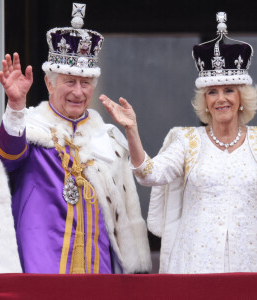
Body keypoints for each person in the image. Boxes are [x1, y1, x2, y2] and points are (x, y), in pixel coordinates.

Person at [0, 3, 151, 274]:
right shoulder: (31, 129)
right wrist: (15, 107)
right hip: (40, 266)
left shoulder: (107, 139)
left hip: (98, 269)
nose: (78, 92)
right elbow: (8, 156)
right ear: (49, 84)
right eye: (69, 82)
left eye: (85, 83)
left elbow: (125, 216)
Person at [100, 12, 257, 274]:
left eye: (229, 90)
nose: (221, 99)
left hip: (249, 260)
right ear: (205, 100)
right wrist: (132, 130)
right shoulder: (188, 141)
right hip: (195, 262)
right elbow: (148, 174)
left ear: (241, 97)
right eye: (212, 92)